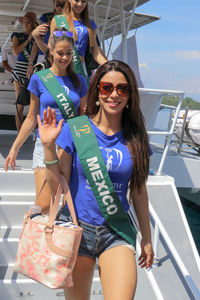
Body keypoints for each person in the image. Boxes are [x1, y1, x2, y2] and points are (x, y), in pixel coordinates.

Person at [38, 60, 154, 299]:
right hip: (77, 231)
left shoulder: (137, 138)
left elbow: (139, 191)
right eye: (106, 88)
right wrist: (49, 147)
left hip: (116, 232)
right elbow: (57, 185)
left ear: (130, 95)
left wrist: (147, 239)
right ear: (97, 92)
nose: (114, 94)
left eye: (122, 89)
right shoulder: (76, 129)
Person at [5, 28, 87, 214]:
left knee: (70, 206)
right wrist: (15, 147)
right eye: (60, 53)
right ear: (50, 50)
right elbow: (32, 116)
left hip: (70, 147)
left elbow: (83, 115)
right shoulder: (39, 78)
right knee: (43, 206)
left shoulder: (80, 81)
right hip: (44, 145)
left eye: (68, 53)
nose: (64, 58)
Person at [11, 11, 39, 132]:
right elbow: (16, 52)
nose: (26, 24)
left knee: (36, 104)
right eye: (24, 22)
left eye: (28, 22)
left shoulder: (38, 35)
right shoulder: (17, 35)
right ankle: (19, 134)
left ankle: (35, 132)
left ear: (33, 23)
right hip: (20, 69)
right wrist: (28, 39)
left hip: (34, 68)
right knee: (20, 105)